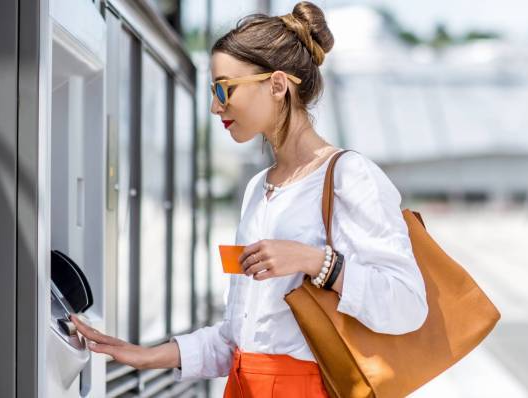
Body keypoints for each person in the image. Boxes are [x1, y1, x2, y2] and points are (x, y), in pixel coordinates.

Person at [70, 2, 428, 396]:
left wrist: (315, 261)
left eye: (224, 88)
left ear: (277, 85)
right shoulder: (259, 189)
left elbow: (408, 305)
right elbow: (238, 339)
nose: (214, 106)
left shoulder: (348, 177)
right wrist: (143, 355)